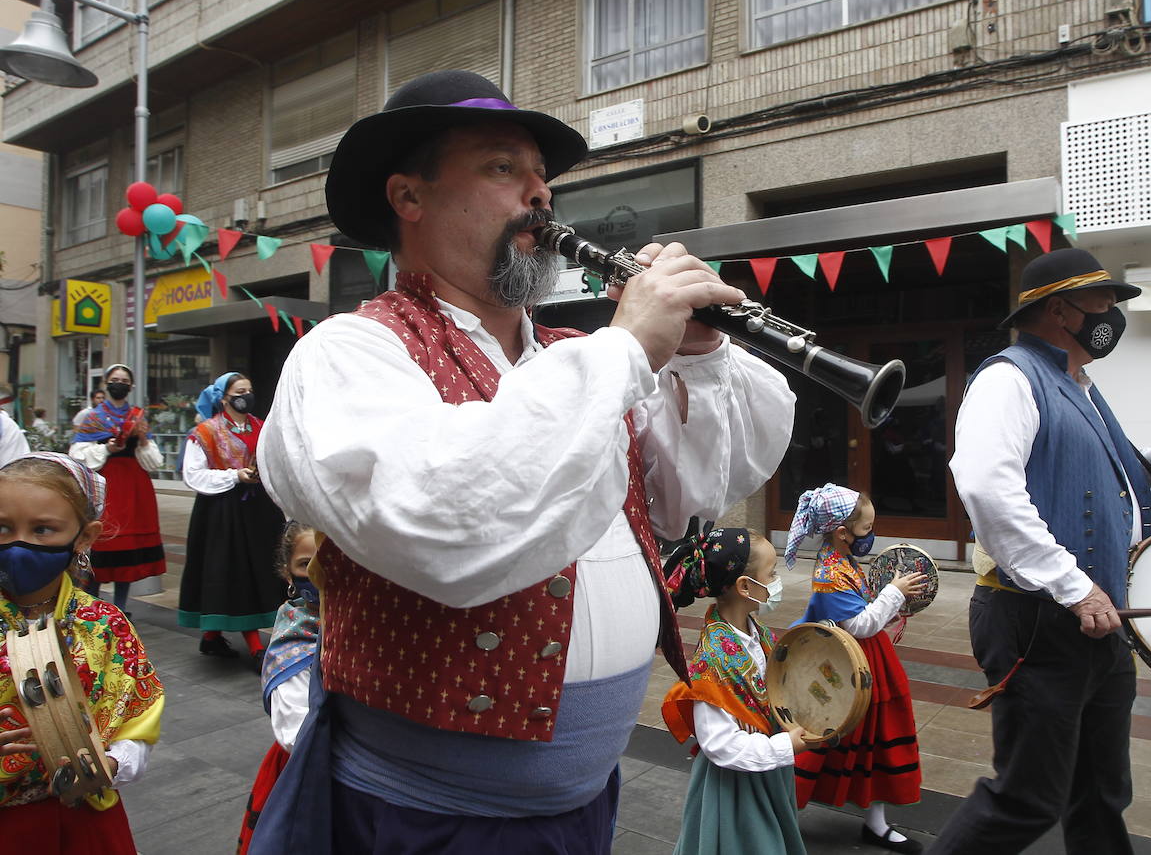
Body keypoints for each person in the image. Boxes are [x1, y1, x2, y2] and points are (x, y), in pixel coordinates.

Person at [251, 69, 795, 853]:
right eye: (504, 169)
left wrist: (700, 357)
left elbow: (689, 496)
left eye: (543, 178)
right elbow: (446, 523)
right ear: (410, 198)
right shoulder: (352, 351)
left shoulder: (582, 362)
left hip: (583, 803)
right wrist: (629, 348)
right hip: (424, 820)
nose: (539, 195)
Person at [930, 248, 1151, 855]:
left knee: (1101, 793)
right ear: (1059, 310)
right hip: (1040, 618)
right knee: (1028, 798)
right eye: (1102, 301)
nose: (1112, 312)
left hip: (1097, 620)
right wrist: (1073, 584)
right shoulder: (1009, 378)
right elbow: (986, 485)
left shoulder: (1078, 384)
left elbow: (1082, 478)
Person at [0, 452, 165, 852]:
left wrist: (107, 764)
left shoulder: (105, 625)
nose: (19, 544)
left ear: (85, 536)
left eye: (43, 529)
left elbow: (135, 725)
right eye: (3, 528)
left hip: (85, 819)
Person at [787, 483, 927, 852]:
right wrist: (893, 591)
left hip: (867, 664)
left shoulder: (842, 563)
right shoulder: (829, 575)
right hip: (849, 669)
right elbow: (861, 625)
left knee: (875, 739)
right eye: (866, 529)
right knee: (824, 738)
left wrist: (891, 599)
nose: (871, 536)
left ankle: (875, 823)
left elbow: (866, 615)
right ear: (841, 533)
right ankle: (779, 811)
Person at [660, 527, 810, 855]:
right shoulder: (712, 660)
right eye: (770, 574)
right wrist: (785, 745)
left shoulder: (760, 636)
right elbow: (721, 745)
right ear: (745, 586)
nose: (775, 582)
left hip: (766, 776)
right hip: (734, 790)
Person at [178, 373, 286, 665]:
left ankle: (212, 638)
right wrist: (234, 475)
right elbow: (193, 473)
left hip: (260, 510)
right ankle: (254, 645)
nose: (246, 395)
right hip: (222, 512)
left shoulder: (262, 427)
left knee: (261, 568)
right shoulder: (206, 431)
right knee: (232, 571)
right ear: (223, 397)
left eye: (250, 390)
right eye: (240, 391)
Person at [238, 521, 321, 855]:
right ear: (288, 574)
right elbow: (295, 734)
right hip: (308, 771)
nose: (319, 573)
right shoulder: (295, 637)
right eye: (305, 564)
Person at [68, 365, 165, 612]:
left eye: (124, 380)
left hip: (134, 486)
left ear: (131, 386)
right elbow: (76, 454)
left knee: (127, 549)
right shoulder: (93, 417)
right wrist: (106, 449)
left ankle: (121, 608)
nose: (119, 383)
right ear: (106, 383)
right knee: (101, 543)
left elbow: (155, 460)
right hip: (105, 484)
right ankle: (94, 604)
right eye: (115, 379)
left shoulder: (138, 417)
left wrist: (142, 438)